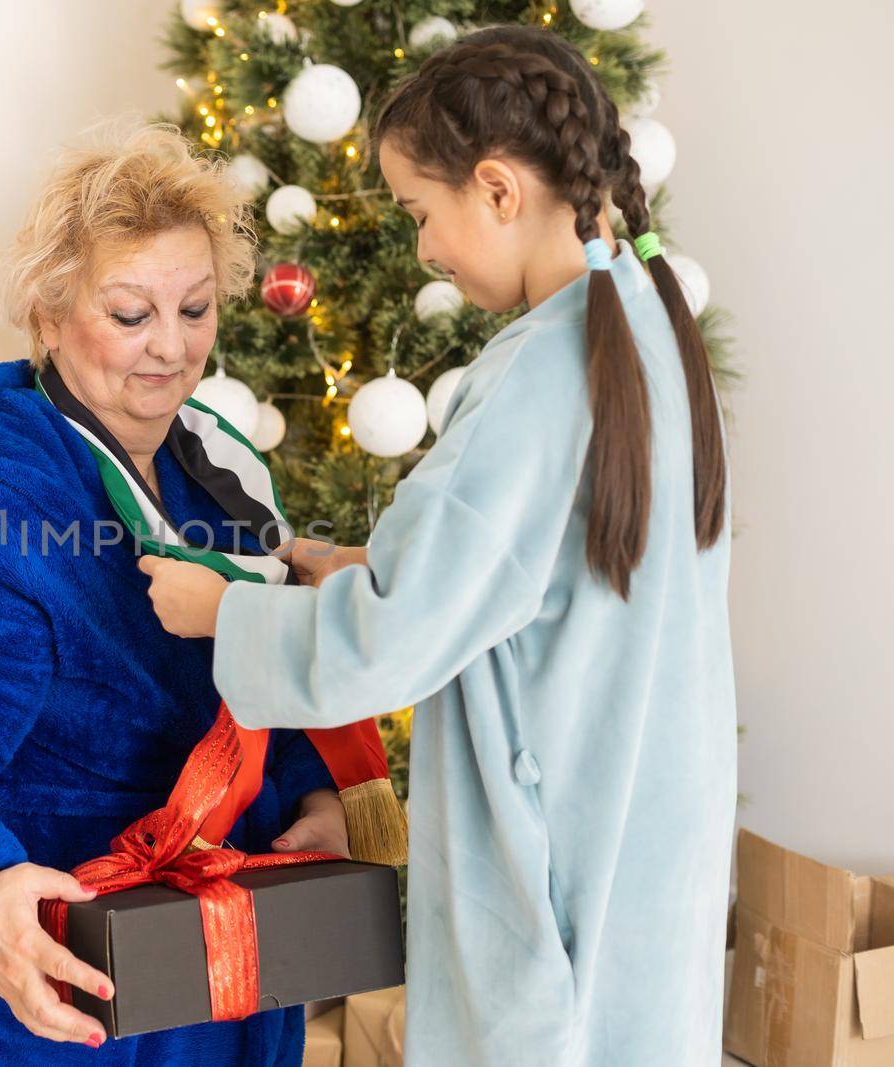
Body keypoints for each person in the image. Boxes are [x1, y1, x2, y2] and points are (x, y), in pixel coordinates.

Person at [140, 27, 736, 1066]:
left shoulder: (535, 380)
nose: (421, 248)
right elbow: (540, 576)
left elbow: (386, 646)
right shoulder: (646, 328)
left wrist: (221, 611)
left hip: (549, 853)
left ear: (497, 189)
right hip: (640, 823)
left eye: (422, 213)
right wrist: (372, 565)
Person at [0, 119, 348, 1065]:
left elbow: (259, 666)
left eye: (195, 310)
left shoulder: (218, 479)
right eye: (129, 314)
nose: (170, 349)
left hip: (207, 967)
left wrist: (313, 794)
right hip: (36, 989)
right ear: (48, 312)